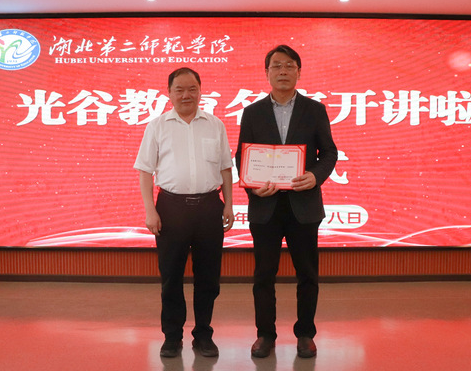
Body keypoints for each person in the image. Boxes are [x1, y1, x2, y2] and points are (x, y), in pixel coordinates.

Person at [235, 45, 337, 358]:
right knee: (263, 275)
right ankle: (265, 335)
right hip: (264, 206)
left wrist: (315, 176)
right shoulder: (252, 112)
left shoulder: (315, 109)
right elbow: (242, 156)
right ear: (267, 73)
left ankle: (305, 334)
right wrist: (253, 188)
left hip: (303, 205)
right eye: (277, 66)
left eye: (289, 65)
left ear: (298, 72)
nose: (283, 71)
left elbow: (329, 152)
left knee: (307, 274)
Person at [135, 67, 234, 358]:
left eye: (192, 89)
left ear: (200, 91)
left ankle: (203, 335)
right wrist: (150, 210)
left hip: (209, 207)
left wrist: (229, 204)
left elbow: (225, 168)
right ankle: (172, 337)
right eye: (179, 89)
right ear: (169, 93)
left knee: (209, 278)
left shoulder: (215, 125)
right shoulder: (157, 126)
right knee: (171, 278)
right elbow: (144, 171)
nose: (186, 95)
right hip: (171, 208)